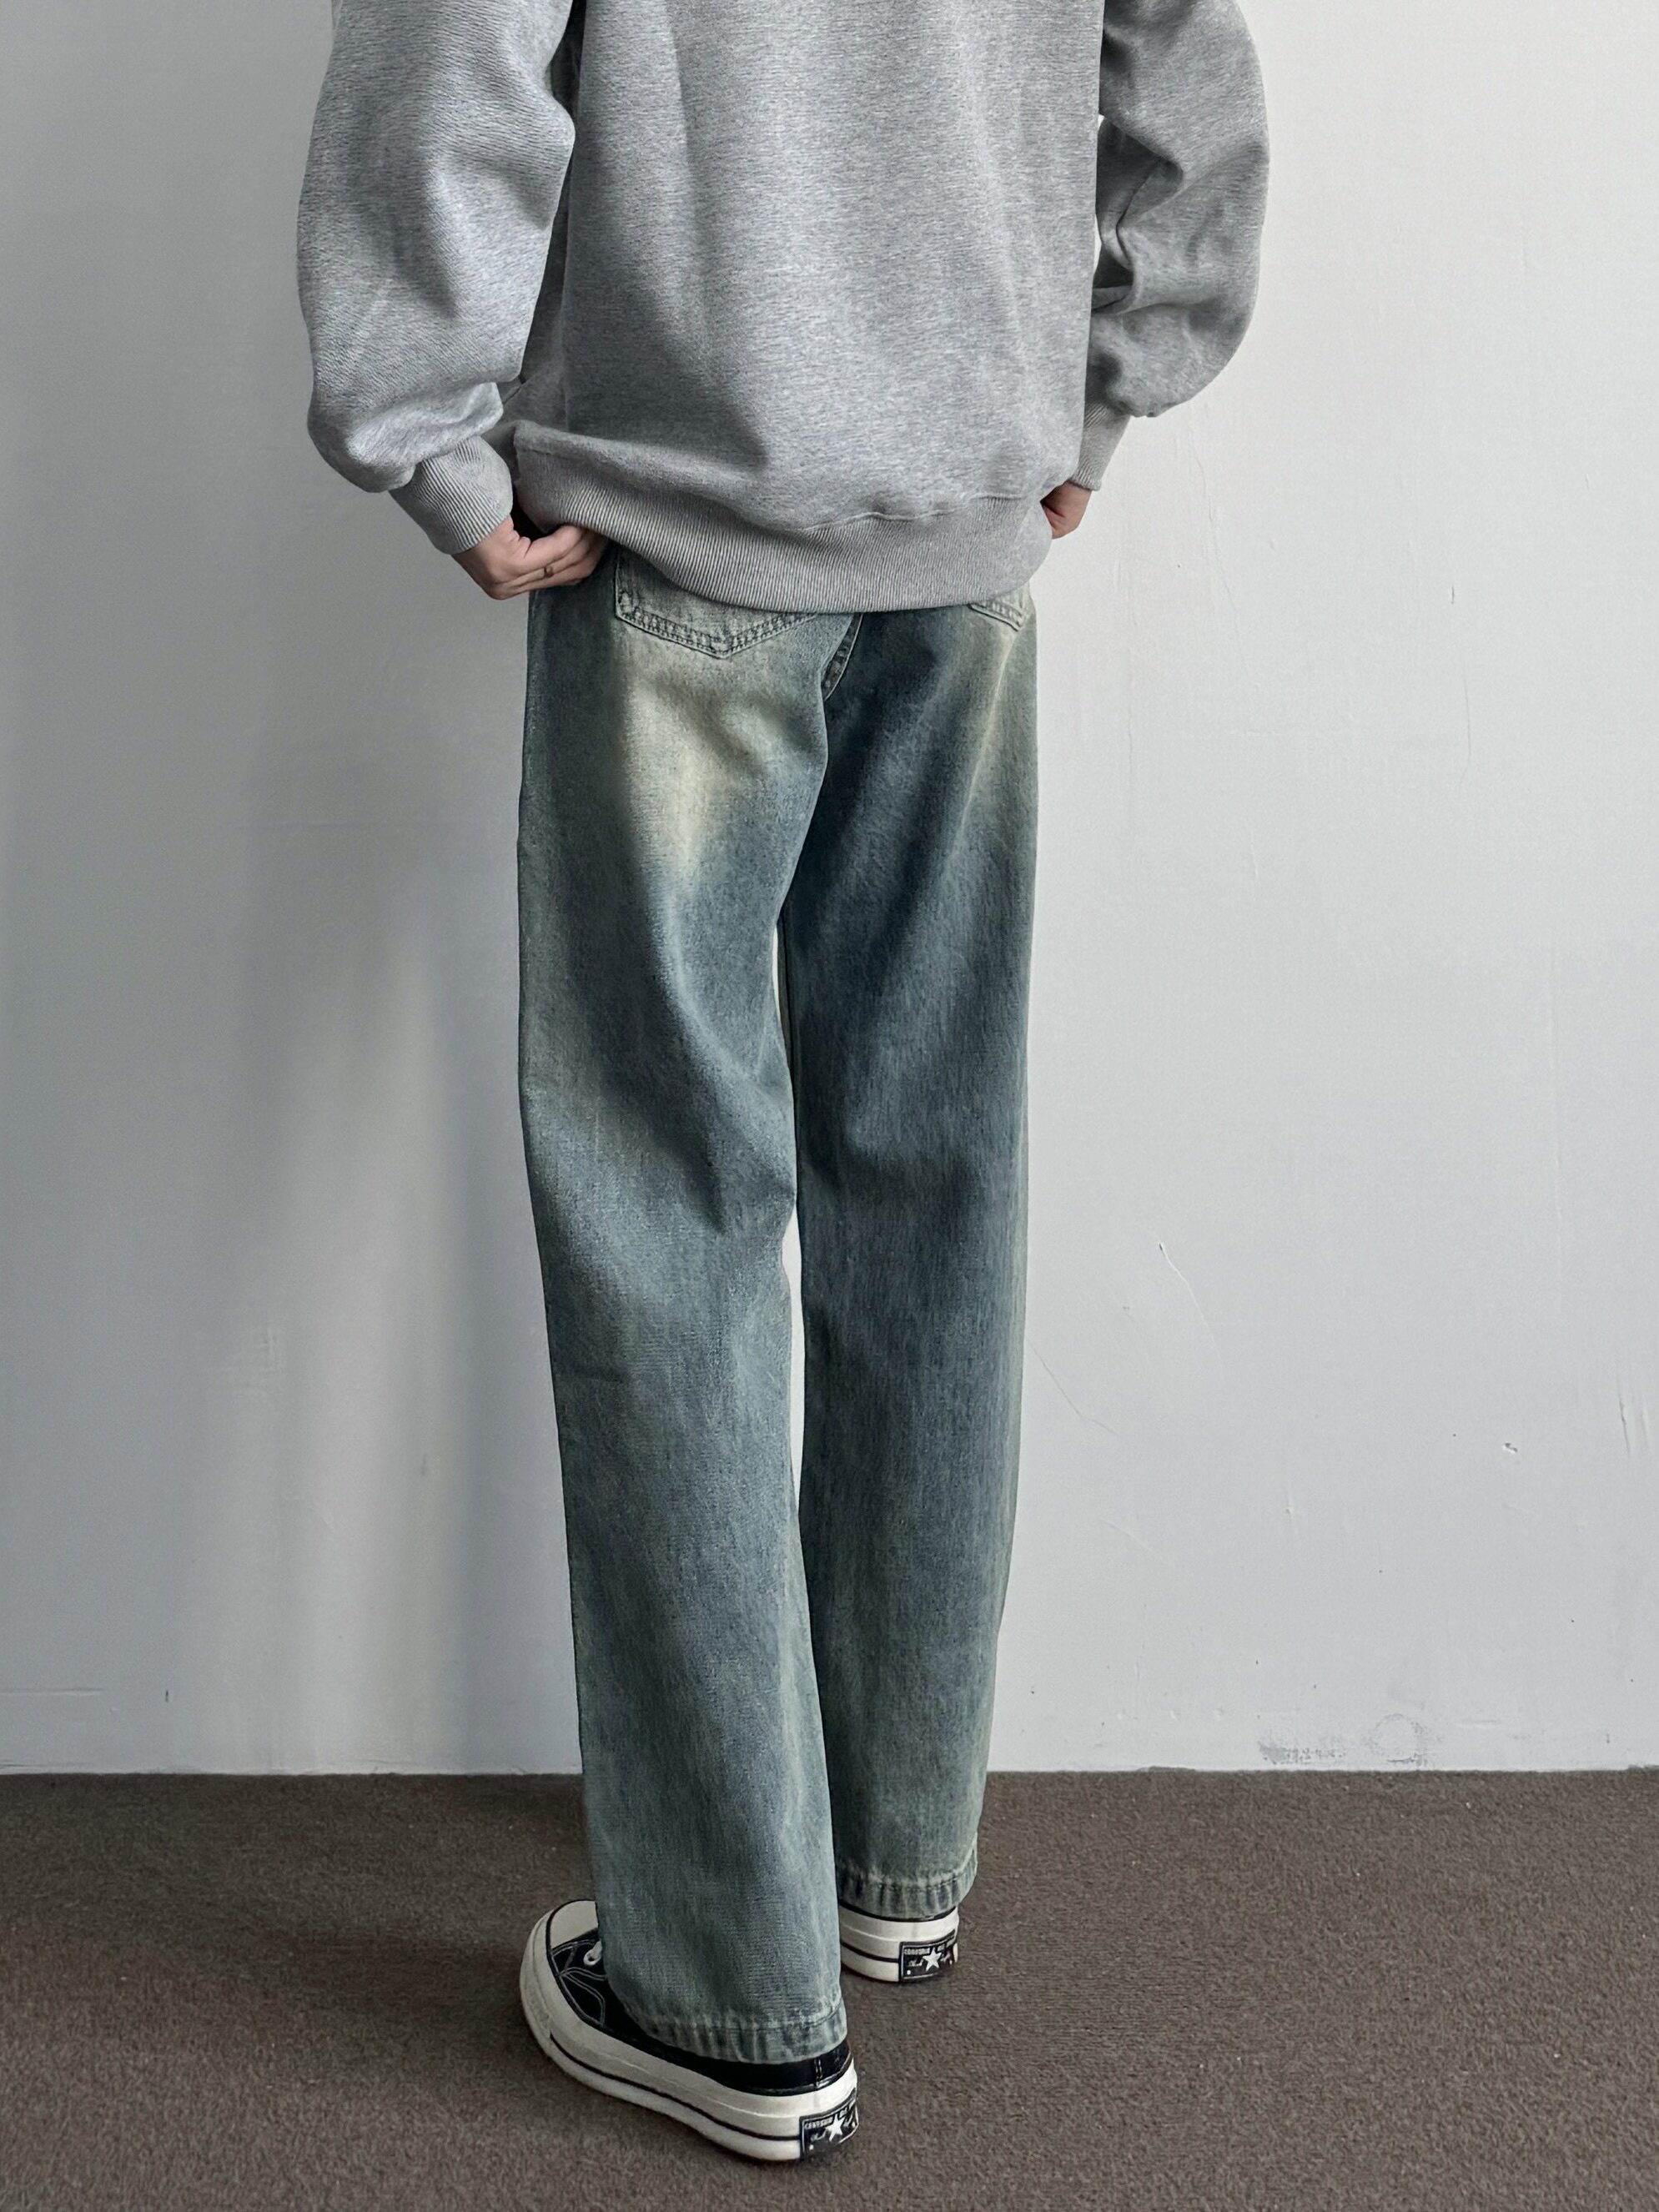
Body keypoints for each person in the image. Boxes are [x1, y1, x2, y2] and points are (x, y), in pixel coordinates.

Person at [297, 0, 1267, 2164]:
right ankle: (886, 1857)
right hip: (967, 529)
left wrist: (427, 432)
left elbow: (452, 52)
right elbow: (1181, 48)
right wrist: (1105, 377)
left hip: (680, 541)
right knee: (932, 1183)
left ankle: (728, 1990)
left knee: (671, 1220)